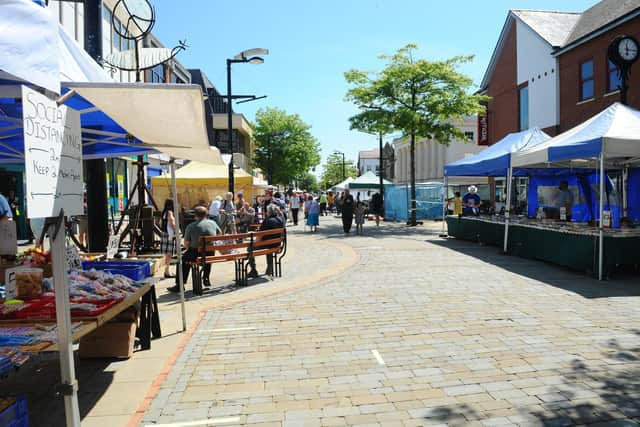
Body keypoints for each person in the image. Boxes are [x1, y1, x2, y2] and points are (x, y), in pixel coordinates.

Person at [168, 206, 220, 293]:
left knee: (181, 260)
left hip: (196, 253)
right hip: (210, 253)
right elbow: (220, 234)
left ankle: (180, 285)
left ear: (195, 215)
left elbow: (186, 243)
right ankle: (206, 277)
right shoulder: (213, 223)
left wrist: (188, 248)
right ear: (206, 214)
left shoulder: (191, 226)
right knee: (207, 254)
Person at [247, 204, 284, 278]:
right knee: (269, 248)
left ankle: (253, 270)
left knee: (250, 249)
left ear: (269, 212)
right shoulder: (280, 220)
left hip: (267, 245)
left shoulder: (267, 221)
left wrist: (255, 243)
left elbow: (259, 236)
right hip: (277, 245)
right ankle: (269, 269)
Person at [160, 199, 177, 279]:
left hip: (164, 234)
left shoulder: (164, 212)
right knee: (169, 254)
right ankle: (167, 272)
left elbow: (160, 223)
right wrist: (176, 230)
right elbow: (172, 222)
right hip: (170, 235)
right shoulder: (170, 212)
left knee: (166, 254)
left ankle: (166, 271)